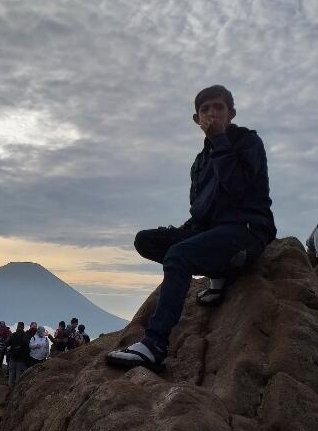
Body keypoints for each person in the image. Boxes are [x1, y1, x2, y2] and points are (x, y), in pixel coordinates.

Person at [107, 85, 276, 372]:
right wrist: (184, 233)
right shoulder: (199, 163)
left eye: (218, 107)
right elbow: (200, 211)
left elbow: (239, 189)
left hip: (246, 230)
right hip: (213, 231)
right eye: (205, 109)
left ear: (231, 113)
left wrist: (220, 140)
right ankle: (219, 271)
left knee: (179, 256)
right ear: (196, 119)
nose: (211, 113)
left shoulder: (247, 142)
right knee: (146, 241)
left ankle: (155, 344)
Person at [6, 322, 29, 386]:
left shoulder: (12, 335)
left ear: (17, 327)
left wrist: (11, 347)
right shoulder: (25, 335)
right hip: (20, 358)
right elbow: (27, 346)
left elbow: (6, 343)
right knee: (18, 372)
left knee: (11, 372)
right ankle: (16, 388)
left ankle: (10, 386)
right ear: (23, 327)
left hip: (12, 356)